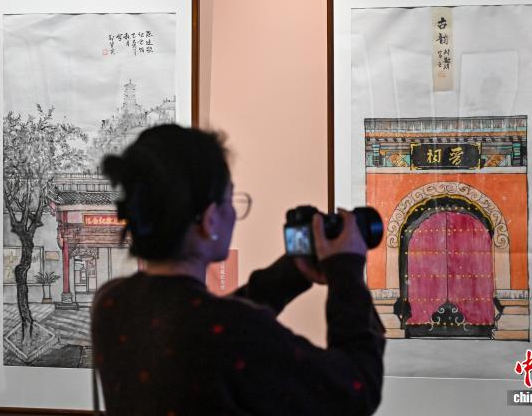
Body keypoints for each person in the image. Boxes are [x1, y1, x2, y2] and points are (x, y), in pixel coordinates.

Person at [91, 124, 386, 416]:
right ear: (209, 220)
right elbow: (356, 389)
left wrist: (290, 274)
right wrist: (346, 271)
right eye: (230, 200)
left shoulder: (111, 302)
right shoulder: (232, 332)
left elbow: (201, 321)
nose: (234, 212)